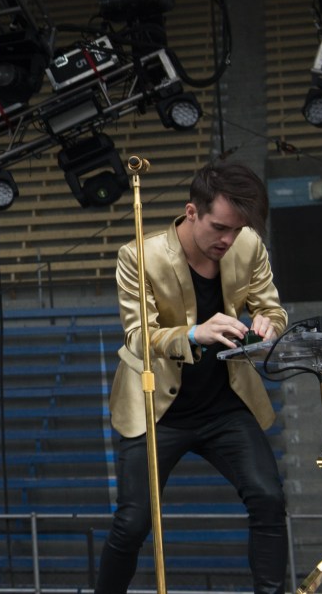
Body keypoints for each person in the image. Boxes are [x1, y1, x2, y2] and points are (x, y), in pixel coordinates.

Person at [96, 162, 288, 594]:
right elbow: (137, 336)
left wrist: (270, 322)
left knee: (269, 499)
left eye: (236, 231)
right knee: (132, 524)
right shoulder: (137, 256)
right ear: (191, 211)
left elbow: (272, 307)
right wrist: (193, 333)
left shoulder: (248, 245)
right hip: (157, 408)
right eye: (220, 227)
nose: (228, 239)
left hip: (225, 403)